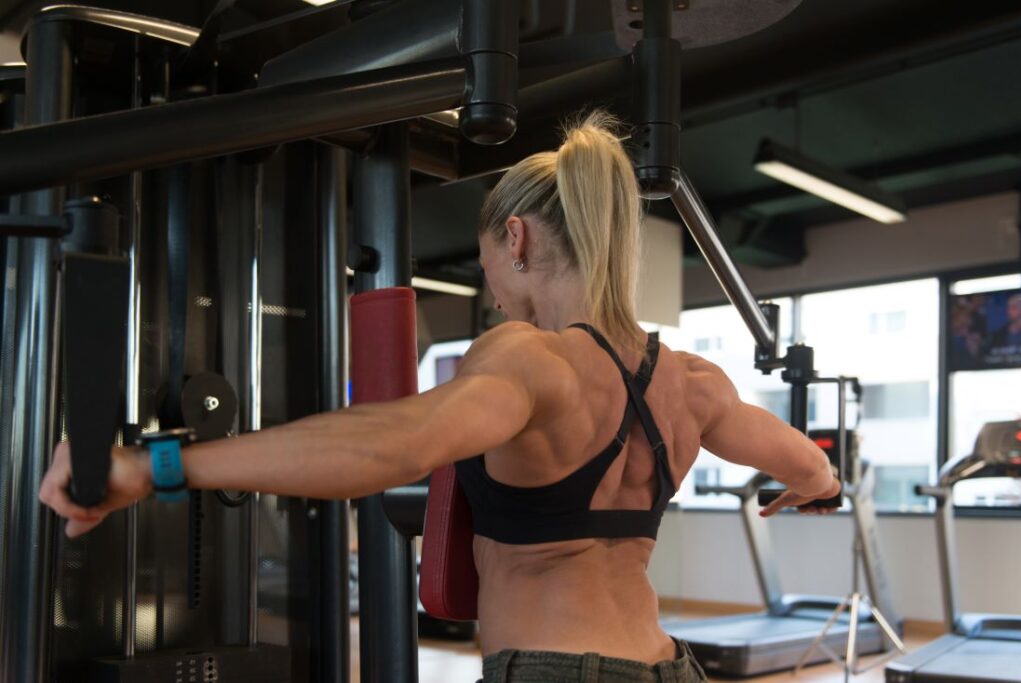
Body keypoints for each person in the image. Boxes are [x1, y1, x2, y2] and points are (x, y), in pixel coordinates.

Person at [40, 112, 839, 683]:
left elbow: (390, 445)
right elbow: (806, 464)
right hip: (668, 663)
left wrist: (157, 466)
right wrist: (813, 489)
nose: (493, 292)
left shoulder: (530, 361)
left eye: (490, 265)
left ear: (517, 240)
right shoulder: (694, 382)